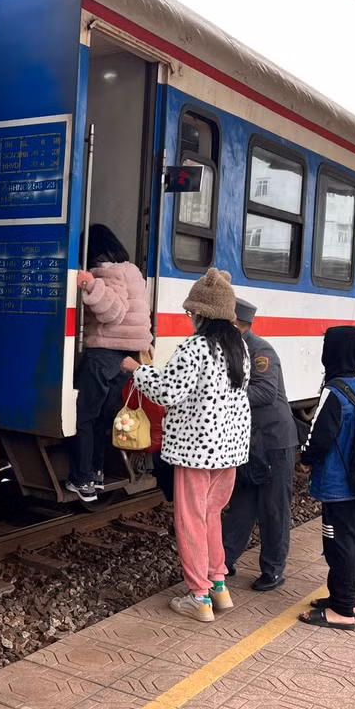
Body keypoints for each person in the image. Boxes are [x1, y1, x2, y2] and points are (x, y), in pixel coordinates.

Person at [124, 267, 250, 622]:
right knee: (210, 516)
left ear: (203, 314)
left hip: (197, 451)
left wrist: (137, 369)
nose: (189, 317)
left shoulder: (194, 347)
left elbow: (167, 392)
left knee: (191, 521)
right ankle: (218, 585)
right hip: (229, 451)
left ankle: (198, 597)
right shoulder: (238, 346)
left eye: (191, 311)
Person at [67, 224, 153, 501]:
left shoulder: (106, 272)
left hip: (104, 353)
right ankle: (98, 474)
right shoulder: (132, 271)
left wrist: (89, 284)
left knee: (85, 418)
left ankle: (82, 480)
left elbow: (114, 312)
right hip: (127, 357)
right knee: (104, 418)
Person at [296, 326, 355, 630]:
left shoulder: (335, 390)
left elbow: (319, 436)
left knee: (338, 544)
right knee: (350, 541)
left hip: (337, 485)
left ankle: (341, 610)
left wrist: (305, 459)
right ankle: (348, 598)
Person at [222, 297, 297, 591]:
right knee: (242, 503)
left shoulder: (260, 350)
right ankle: (223, 560)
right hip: (249, 441)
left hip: (273, 441)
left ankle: (274, 569)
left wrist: (222, 397)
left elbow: (265, 392)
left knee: (273, 508)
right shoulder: (233, 349)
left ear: (235, 324)